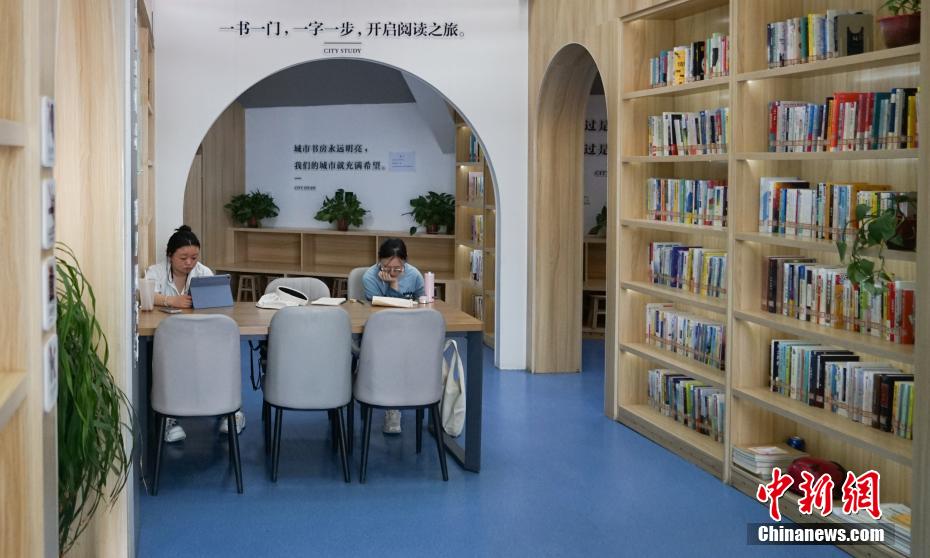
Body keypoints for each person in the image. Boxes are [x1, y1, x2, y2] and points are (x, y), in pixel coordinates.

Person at [145, 225, 246, 442]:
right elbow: (142, 294)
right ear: (170, 255)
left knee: (223, 362)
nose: (189, 263)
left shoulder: (204, 273)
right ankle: (170, 417)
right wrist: (171, 300)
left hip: (202, 337)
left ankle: (231, 413)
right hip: (171, 340)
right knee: (168, 367)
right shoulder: (155, 272)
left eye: (194, 257)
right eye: (183, 258)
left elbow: (218, 306)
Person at [362, 238, 425, 434]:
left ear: (405, 262)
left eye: (397, 268)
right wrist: (393, 285)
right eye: (386, 267)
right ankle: (393, 408)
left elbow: (424, 304)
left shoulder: (414, 275)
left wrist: (396, 284)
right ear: (379, 261)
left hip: (410, 331)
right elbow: (382, 312)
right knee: (393, 354)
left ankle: (430, 403)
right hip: (381, 332)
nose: (391, 272)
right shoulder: (370, 277)